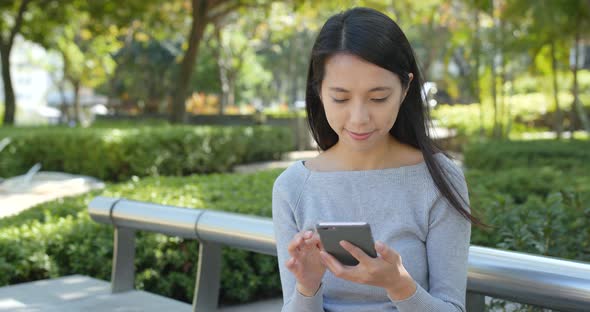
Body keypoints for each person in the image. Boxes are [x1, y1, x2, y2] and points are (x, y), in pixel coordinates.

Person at [272, 7, 484, 312]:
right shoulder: (292, 188)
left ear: (405, 88)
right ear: (318, 91)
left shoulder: (438, 179)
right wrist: (307, 288)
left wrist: (399, 285)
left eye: (378, 98)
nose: (359, 118)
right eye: (341, 98)